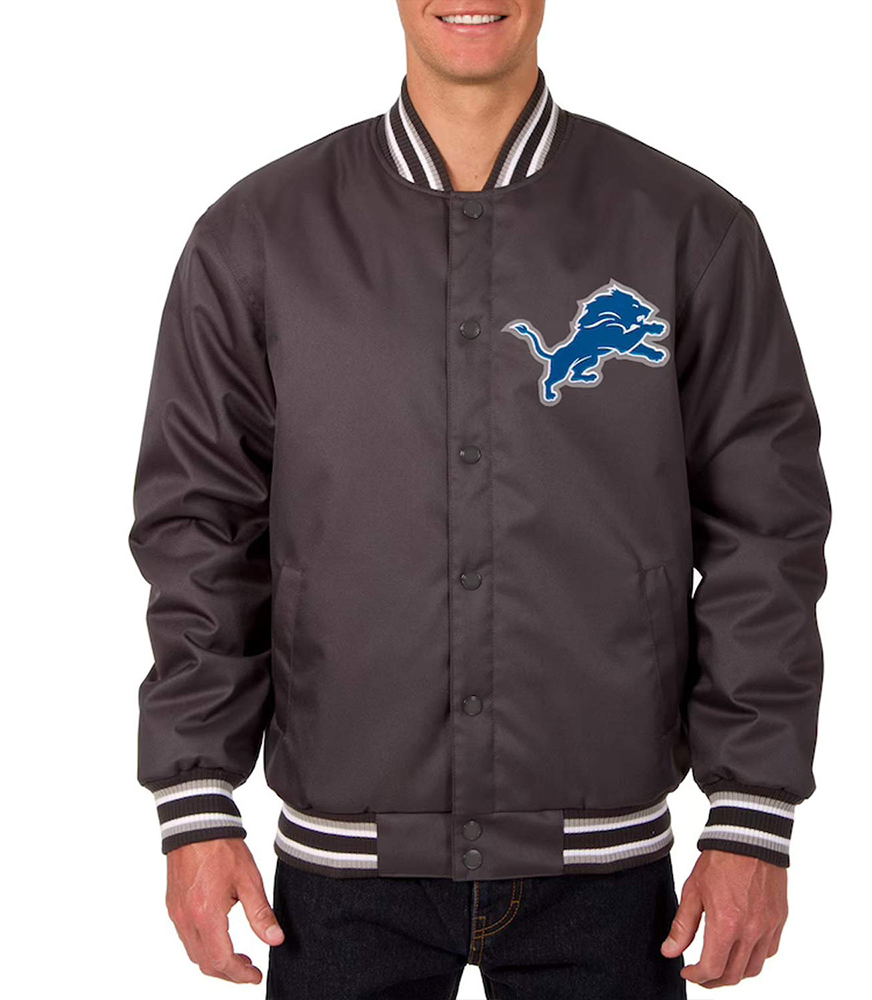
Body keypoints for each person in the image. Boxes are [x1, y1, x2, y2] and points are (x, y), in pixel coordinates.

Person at [128, 2, 831, 997]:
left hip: (608, 875)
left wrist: (753, 810)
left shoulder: (687, 230)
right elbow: (198, 526)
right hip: (340, 877)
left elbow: (767, 531)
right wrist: (195, 799)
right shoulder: (258, 239)